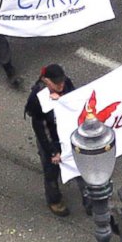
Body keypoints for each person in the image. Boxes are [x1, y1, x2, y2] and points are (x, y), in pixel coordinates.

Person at [26, 66, 76, 216]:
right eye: (56, 83)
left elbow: (75, 100)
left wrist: (62, 100)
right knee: (51, 170)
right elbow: (41, 127)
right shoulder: (38, 97)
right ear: (46, 81)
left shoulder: (65, 84)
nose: (61, 86)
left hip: (67, 134)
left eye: (61, 82)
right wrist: (53, 151)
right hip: (51, 137)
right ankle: (54, 200)